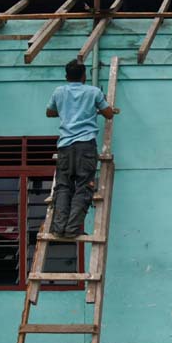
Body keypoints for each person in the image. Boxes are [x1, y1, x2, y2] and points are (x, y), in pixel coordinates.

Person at [46, 59, 119, 238]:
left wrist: (66, 110)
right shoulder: (93, 92)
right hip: (85, 146)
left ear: (66, 76)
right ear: (84, 76)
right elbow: (108, 114)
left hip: (65, 146)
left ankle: (58, 228)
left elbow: (50, 112)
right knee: (84, 187)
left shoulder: (59, 92)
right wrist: (100, 108)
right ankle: (72, 229)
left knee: (63, 187)